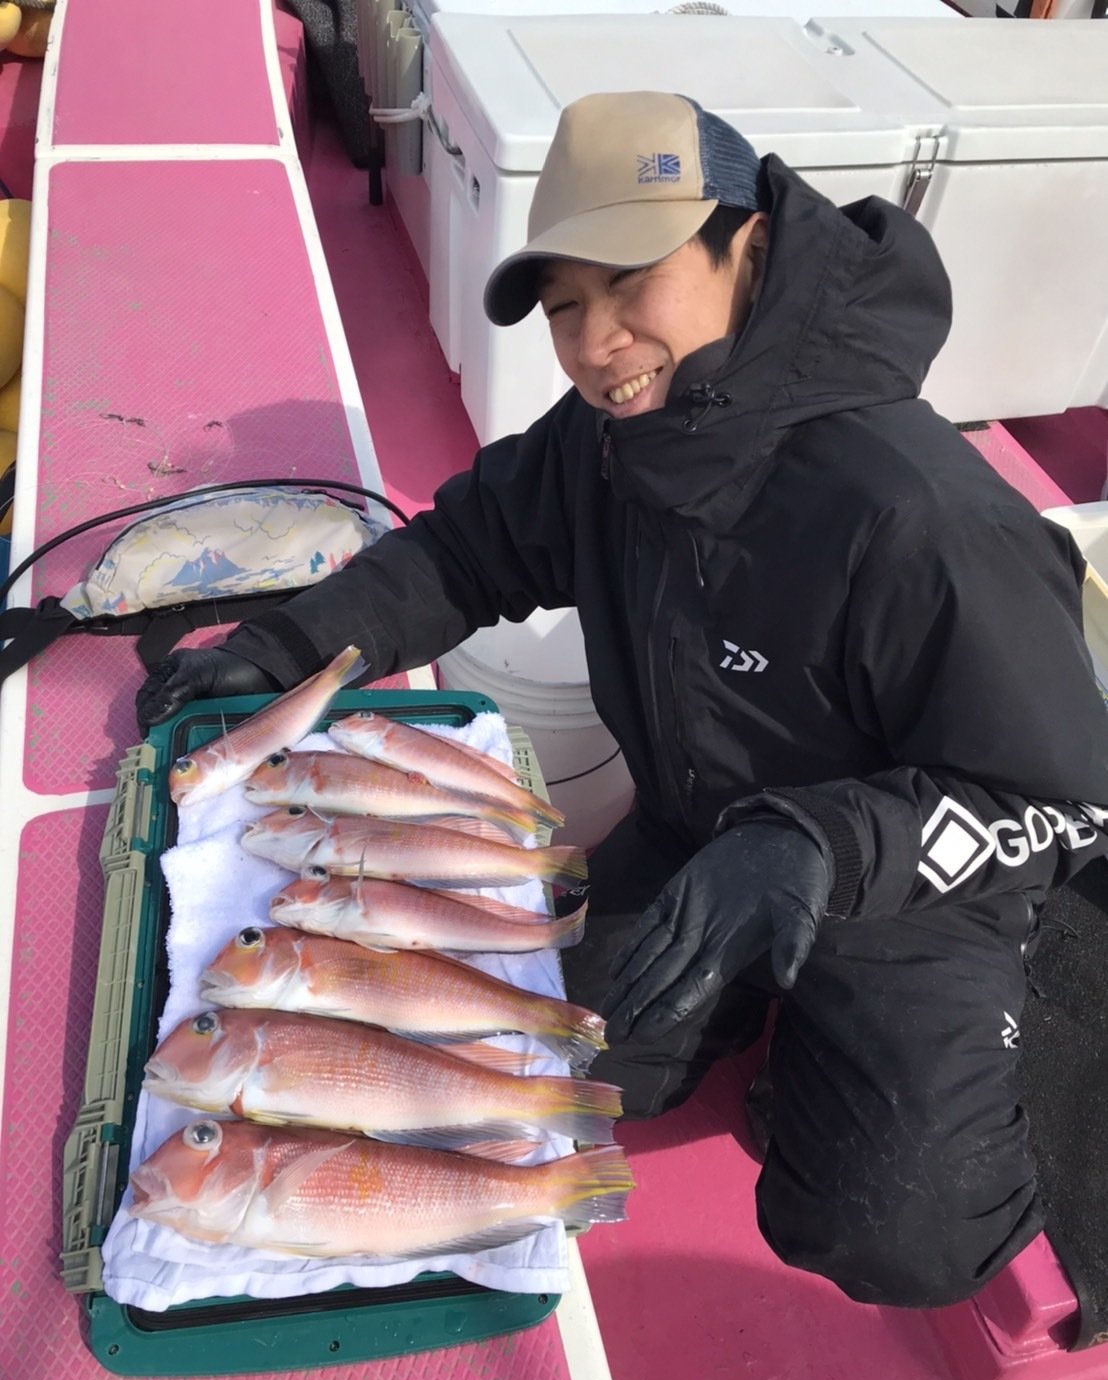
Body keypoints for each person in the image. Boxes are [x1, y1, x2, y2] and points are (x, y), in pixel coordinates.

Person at [136, 91, 1108, 1311]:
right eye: (564, 307)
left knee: (894, 1231)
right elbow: (470, 549)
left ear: (749, 244)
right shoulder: (609, 438)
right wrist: (286, 647)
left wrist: (816, 853)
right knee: (565, 1050)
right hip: (699, 834)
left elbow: (1062, 799)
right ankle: (751, 1004)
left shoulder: (920, 514)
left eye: (631, 281)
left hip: (901, 882)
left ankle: (1021, 1037)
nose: (597, 344)